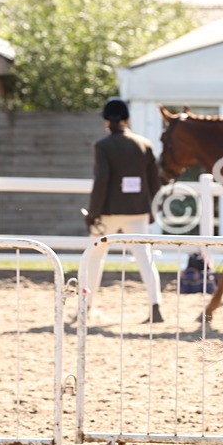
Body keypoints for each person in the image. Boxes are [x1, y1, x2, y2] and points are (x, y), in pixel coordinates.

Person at [81, 97, 163, 323]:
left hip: (108, 211)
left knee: (95, 258)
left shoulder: (103, 146)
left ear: (106, 120)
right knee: (145, 259)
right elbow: (155, 182)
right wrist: (154, 209)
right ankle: (155, 306)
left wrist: (92, 213)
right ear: (128, 118)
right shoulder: (144, 144)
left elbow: (102, 181)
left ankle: (86, 307)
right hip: (137, 210)